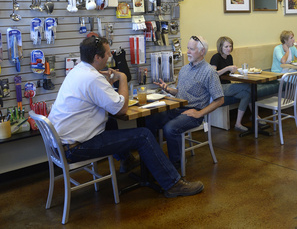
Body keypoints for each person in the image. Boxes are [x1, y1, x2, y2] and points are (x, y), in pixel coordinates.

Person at [49, 36, 203, 198]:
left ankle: (127, 160)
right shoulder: (92, 78)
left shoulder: (78, 71)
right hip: (75, 149)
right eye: (108, 53)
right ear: (97, 57)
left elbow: (102, 101)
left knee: (110, 122)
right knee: (143, 135)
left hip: (60, 146)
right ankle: (173, 184)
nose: (110, 57)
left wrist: (107, 83)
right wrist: (122, 77)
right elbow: (121, 109)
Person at [147, 35, 224, 168]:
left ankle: (175, 166)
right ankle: (154, 161)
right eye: (187, 48)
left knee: (170, 128)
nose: (187, 52)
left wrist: (200, 114)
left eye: (191, 49)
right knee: (149, 120)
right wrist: (168, 89)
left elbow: (220, 99)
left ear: (202, 51)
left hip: (194, 112)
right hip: (177, 108)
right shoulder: (184, 69)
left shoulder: (209, 72)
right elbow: (180, 92)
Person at [210, 36, 251, 132]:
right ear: (220, 47)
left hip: (227, 85)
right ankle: (256, 115)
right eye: (226, 47)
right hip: (218, 87)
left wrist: (235, 72)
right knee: (248, 86)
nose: (229, 49)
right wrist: (227, 68)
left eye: (230, 46)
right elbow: (212, 74)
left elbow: (229, 74)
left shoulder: (229, 57)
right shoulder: (216, 57)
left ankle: (238, 123)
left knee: (246, 94)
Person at [271, 30, 297, 109]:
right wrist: (287, 51)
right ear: (285, 40)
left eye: (293, 38)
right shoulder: (277, 48)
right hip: (279, 73)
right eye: (291, 38)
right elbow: (283, 61)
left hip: (288, 71)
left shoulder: (293, 48)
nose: (293, 40)